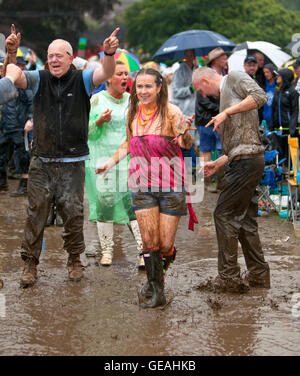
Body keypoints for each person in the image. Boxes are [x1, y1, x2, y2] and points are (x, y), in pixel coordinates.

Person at [5, 24, 120, 287]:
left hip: (72, 162)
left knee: (73, 212)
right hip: (42, 162)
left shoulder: (82, 79)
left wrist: (109, 54)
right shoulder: (38, 78)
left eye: (60, 55)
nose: (54, 60)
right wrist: (11, 53)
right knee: (36, 213)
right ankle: (30, 264)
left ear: (71, 58)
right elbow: (13, 78)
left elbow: (106, 72)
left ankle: (74, 260)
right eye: (51, 55)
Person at [96, 68, 196, 308]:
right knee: (148, 242)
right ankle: (157, 291)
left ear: (159, 88)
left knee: (165, 245)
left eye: (148, 86)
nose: (142, 91)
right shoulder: (133, 112)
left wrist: (184, 133)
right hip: (141, 184)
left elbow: (185, 143)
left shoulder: (171, 112)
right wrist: (109, 163)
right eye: (139, 86)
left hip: (171, 185)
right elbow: (129, 143)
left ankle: (154, 281)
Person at [192, 66, 270, 292]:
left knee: (223, 215)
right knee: (244, 221)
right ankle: (258, 275)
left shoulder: (233, 77)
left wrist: (227, 112)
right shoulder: (227, 93)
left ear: (205, 80)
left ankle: (228, 277)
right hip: (244, 158)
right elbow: (242, 142)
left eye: (201, 90)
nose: (204, 96)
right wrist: (218, 162)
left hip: (248, 160)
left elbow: (260, 96)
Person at [85, 60, 143, 267]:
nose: (125, 78)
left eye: (126, 74)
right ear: (109, 78)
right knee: (105, 205)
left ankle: (143, 251)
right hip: (101, 160)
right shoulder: (96, 100)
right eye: (119, 74)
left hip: (128, 160)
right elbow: (85, 132)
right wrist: (99, 121)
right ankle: (107, 251)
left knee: (133, 206)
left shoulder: (132, 101)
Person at [195, 47, 229, 192]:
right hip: (206, 120)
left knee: (223, 150)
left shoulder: (226, 76)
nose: (226, 60)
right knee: (206, 151)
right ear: (216, 60)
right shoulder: (203, 76)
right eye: (223, 58)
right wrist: (221, 110)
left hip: (222, 119)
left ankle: (221, 182)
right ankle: (206, 182)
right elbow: (202, 100)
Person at [0, 56, 33, 194]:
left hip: (20, 126)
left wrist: (30, 119)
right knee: (2, 156)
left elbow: (32, 102)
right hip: (6, 126)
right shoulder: (4, 82)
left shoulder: (24, 83)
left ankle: (24, 186)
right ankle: (2, 183)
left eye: (22, 65)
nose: (21, 67)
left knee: (23, 157)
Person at [269, 68, 299, 162]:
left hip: (289, 130)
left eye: (279, 75)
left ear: (285, 77)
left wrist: (292, 128)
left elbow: (295, 111)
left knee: (290, 155)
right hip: (278, 129)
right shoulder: (277, 91)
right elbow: (274, 110)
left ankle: (292, 173)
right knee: (279, 154)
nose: (277, 77)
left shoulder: (293, 92)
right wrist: (271, 126)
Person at [262, 63, 277, 128]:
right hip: (265, 118)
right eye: (264, 72)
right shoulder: (263, 85)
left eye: (267, 72)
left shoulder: (277, 86)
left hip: (275, 119)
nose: (265, 74)